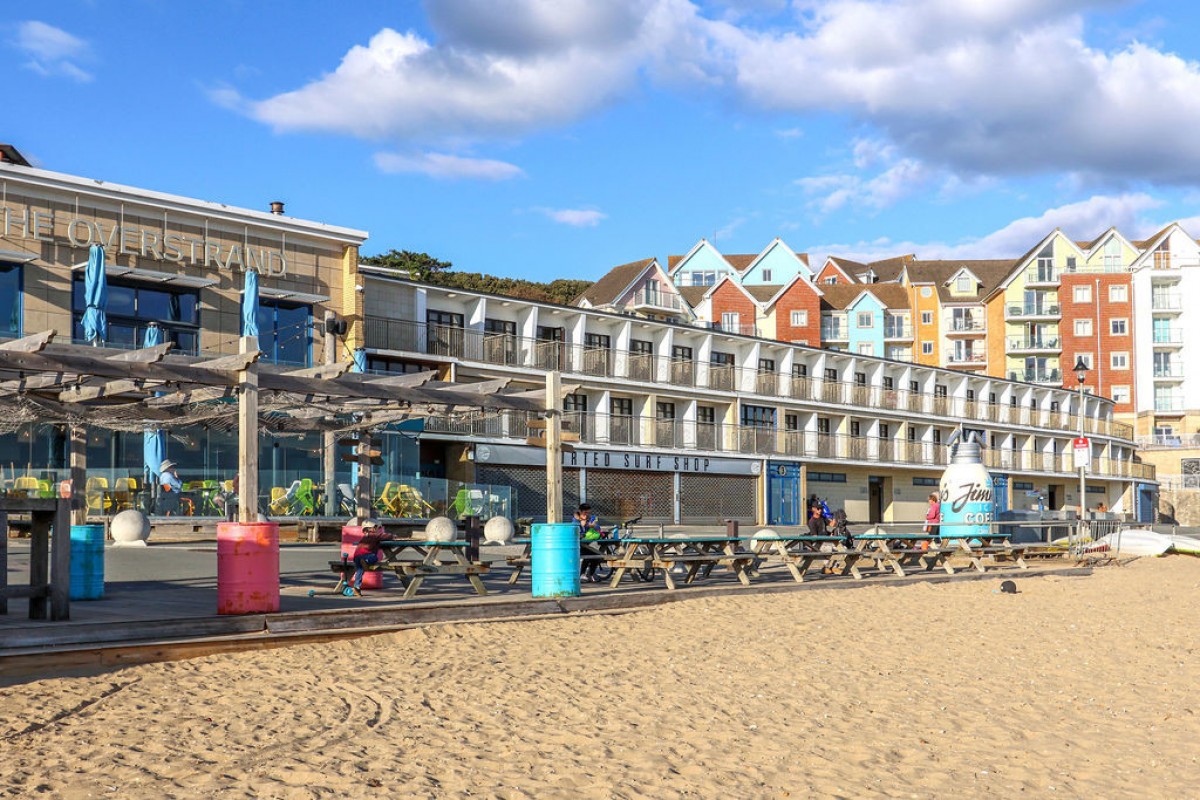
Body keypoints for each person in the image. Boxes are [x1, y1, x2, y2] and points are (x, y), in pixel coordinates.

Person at [349, 520, 393, 595]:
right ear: (371, 529)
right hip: (367, 555)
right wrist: (393, 536)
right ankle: (366, 561)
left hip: (356, 556)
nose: (377, 529)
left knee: (360, 571)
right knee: (374, 557)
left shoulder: (364, 537)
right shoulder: (374, 535)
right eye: (375, 527)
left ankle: (357, 587)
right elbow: (384, 536)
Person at [574, 503, 603, 582]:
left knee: (597, 556)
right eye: (585, 512)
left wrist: (593, 525)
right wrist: (582, 524)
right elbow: (575, 530)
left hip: (587, 543)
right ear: (580, 511)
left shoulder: (591, 518)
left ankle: (590, 574)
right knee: (591, 555)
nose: (587, 514)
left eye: (588, 512)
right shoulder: (575, 519)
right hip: (577, 545)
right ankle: (583, 574)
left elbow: (598, 528)